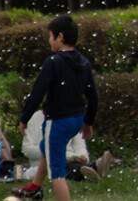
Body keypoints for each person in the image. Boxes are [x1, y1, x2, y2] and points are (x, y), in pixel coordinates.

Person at [11, 15, 99, 201]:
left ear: (59, 37)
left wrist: (24, 118)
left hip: (58, 121)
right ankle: (34, 187)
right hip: (76, 119)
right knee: (46, 149)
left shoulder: (53, 62)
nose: (49, 40)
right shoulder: (83, 62)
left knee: (57, 173)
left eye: (50, 36)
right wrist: (88, 122)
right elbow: (93, 96)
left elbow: (37, 93)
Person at [22, 110, 113, 182]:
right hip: (43, 163)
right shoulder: (34, 118)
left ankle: (89, 170)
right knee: (58, 166)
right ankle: (94, 168)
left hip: (71, 159)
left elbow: (80, 146)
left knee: (67, 165)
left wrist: (83, 157)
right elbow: (26, 149)